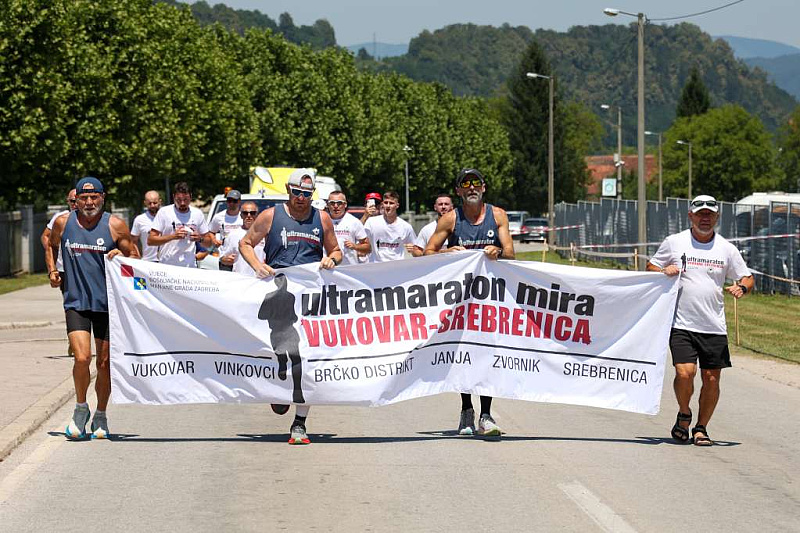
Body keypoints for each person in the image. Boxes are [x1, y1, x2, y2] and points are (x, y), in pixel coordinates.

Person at [239, 168, 343, 445]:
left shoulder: (321, 218)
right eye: (297, 192)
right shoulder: (271, 216)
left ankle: (300, 422)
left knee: (307, 359)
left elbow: (336, 250)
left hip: (310, 299)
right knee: (276, 357)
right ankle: (279, 390)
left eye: (306, 194)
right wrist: (257, 265)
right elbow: (246, 243)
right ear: (288, 190)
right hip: (278, 295)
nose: (301, 198)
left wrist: (332, 259)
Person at [647, 195, 754, 446]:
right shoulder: (674, 242)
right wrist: (663, 271)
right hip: (681, 323)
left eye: (710, 214)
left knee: (711, 379)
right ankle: (684, 413)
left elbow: (747, 277)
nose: (705, 218)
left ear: (717, 217)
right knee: (685, 373)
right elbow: (650, 267)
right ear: (690, 216)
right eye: (700, 214)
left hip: (713, 325)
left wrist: (742, 287)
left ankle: (701, 428)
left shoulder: (726, 248)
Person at [46, 177, 139, 440]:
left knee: (105, 363)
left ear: (102, 197)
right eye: (83, 198)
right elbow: (50, 245)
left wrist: (122, 256)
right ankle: (80, 408)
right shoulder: (63, 222)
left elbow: (136, 257)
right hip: (76, 301)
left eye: (93, 197)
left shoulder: (115, 225)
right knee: (82, 358)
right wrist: (52, 270)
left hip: (107, 305)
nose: (88, 202)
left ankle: (101, 414)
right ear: (76, 200)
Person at [425, 168, 515, 437]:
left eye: (476, 183)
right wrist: (447, 252)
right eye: (466, 184)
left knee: (488, 354)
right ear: (459, 191)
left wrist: (498, 251)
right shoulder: (451, 219)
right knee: (463, 355)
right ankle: (466, 409)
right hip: (461, 300)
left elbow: (511, 253)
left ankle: (486, 414)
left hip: (491, 298)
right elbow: (428, 252)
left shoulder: (497, 215)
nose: (471, 187)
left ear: (483, 187)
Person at [147, 182, 212, 268]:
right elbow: (151, 240)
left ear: (190, 197)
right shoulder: (164, 212)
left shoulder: (197, 214)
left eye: (185, 199)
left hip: (189, 266)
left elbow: (209, 243)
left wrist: (200, 239)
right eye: (179, 200)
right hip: (167, 266)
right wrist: (173, 236)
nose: (182, 203)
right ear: (174, 197)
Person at [363, 191, 416, 263]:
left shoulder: (406, 227)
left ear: (397, 205)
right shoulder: (371, 222)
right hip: (376, 266)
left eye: (391, 203)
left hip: (396, 266)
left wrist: (413, 250)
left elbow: (418, 252)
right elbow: (357, 235)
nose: (388, 206)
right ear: (382, 204)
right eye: (386, 203)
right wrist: (365, 216)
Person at [215, 201, 262, 274]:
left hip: (261, 278)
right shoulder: (232, 235)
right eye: (245, 213)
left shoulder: (264, 234)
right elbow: (223, 257)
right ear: (241, 215)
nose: (249, 216)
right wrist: (224, 259)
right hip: (240, 278)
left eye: (252, 213)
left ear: (257, 215)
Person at [326, 190, 371, 265]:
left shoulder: (354, 222)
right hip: (328, 267)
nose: (336, 206)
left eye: (339, 203)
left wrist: (355, 246)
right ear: (327, 205)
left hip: (348, 268)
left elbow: (368, 248)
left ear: (345, 204)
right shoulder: (322, 220)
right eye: (332, 203)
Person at [209, 189, 243, 271]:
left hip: (242, 258)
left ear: (239, 201)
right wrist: (214, 240)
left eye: (234, 201)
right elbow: (211, 232)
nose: (231, 203)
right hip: (226, 258)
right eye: (229, 201)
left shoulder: (245, 216)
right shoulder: (218, 217)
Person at [130, 190, 162, 262]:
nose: (152, 205)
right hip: (148, 261)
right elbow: (133, 241)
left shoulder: (167, 217)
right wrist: (137, 256)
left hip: (167, 261)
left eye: (155, 203)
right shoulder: (139, 219)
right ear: (145, 203)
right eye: (149, 203)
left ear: (160, 201)